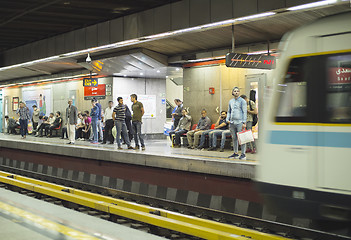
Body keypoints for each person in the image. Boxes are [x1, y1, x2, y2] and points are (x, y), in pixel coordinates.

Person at [227, 87, 247, 160]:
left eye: (237, 91)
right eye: (234, 91)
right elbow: (229, 111)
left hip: (240, 122)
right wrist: (227, 119)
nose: (236, 92)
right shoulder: (230, 101)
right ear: (232, 92)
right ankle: (235, 153)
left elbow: (245, 112)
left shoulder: (242, 101)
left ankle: (243, 154)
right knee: (234, 138)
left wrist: (244, 122)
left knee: (241, 138)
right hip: (232, 122)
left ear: (239, 92)